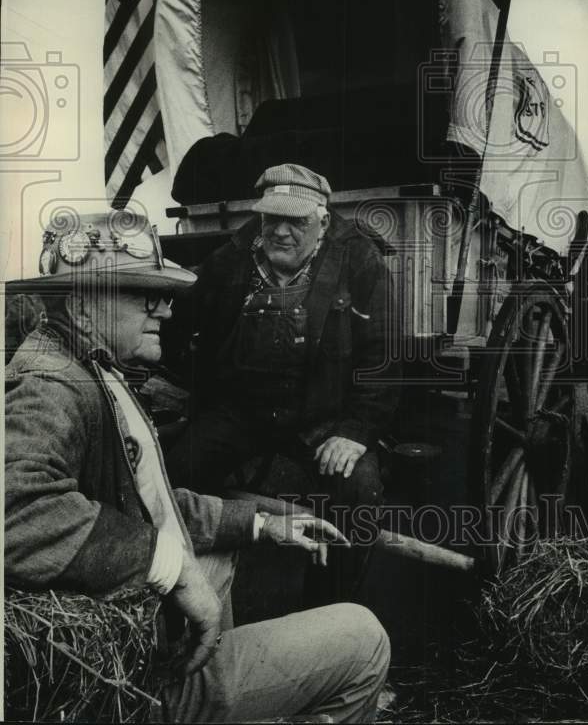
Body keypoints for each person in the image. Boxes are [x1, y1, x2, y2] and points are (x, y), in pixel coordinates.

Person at [4, 210, 390, 723]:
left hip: (136, 649)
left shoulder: (89, 366)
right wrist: (174, 569)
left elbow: (142, 499)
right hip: (134, 690)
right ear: (81, 302)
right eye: (144, 293)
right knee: (364, 638)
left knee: (221, 557)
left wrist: (258, 523)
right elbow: (14, 513)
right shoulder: (51, 387)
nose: (165, 309)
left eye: (165, 294)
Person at [166, 164, 399, 596]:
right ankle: (185, 593)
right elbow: (177, 326)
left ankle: (330, 609)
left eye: (297, 221)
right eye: (273, 219)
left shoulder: (360, 262)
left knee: (357, 488)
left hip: (321, 418)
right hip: (242, 414)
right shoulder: (230, 261)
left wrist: (354, 431)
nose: (281, 232)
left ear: (323, 221)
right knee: (176, 470)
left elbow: (383, 357)